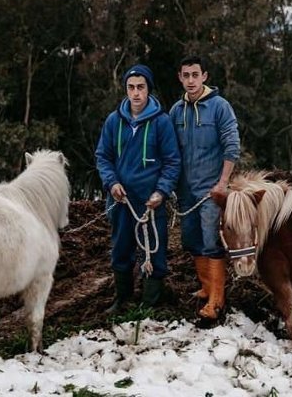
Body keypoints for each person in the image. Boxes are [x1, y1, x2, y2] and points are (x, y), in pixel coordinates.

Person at [95, 64, 181, 313]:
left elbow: (172, 161)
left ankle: (149, 302)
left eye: (140, 87)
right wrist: (111, 183)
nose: (135, 93)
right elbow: (103, 156)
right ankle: (122, 299)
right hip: (122, 200)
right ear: (126, 90)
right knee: (121, 248)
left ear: (148, 89)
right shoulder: (114, 121)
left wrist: (161, 191)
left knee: (154, 249)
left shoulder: (161, 123)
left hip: (151, 201)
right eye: (131, 87)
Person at [170, 55, 240, 321]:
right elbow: (170, 149)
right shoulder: (176, 111)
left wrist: (222, 183)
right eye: (185, 75)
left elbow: (232, 145)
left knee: (211, 242)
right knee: (191, 239)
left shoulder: (220, 107)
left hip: (211, 190)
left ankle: (217, 301)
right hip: (186, 191)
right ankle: (206, 287)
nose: (190, 80)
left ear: (204, 76)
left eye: (195, 75)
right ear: (180, 77)